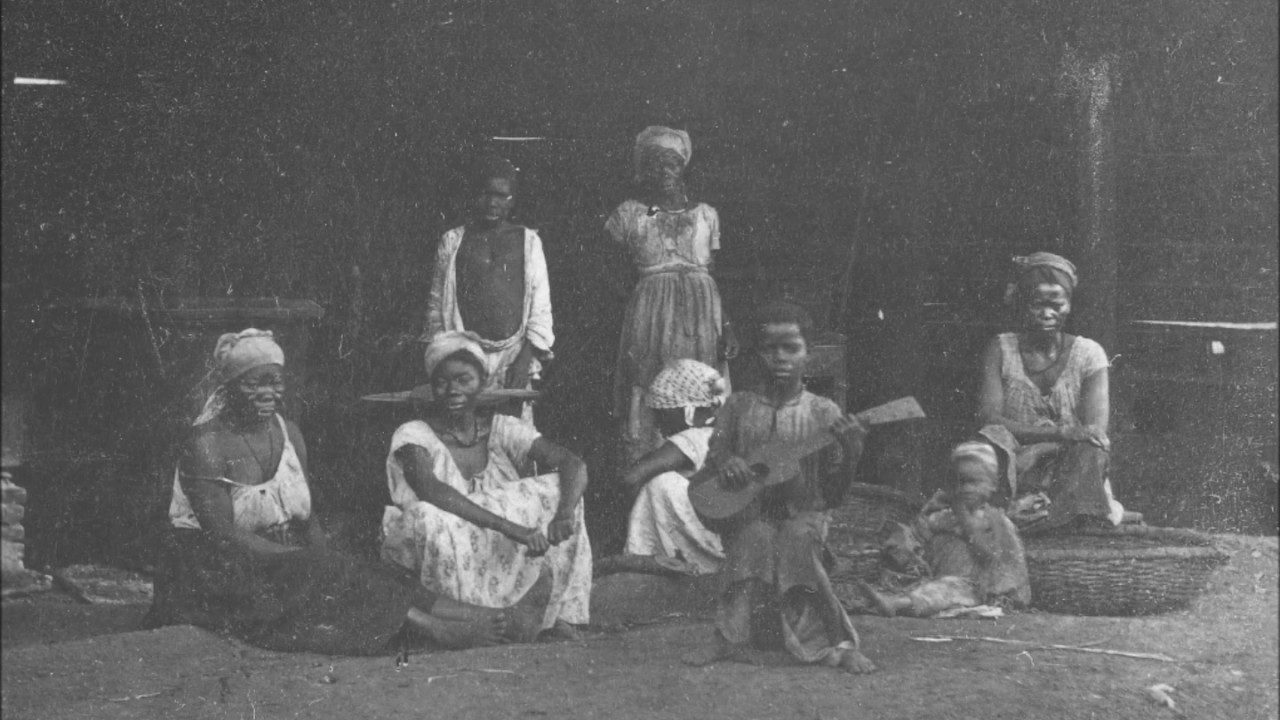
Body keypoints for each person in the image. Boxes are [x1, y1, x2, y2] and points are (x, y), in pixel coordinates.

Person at [145, 329, 548, 656]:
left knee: (363, 567)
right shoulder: (207, 445)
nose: (269, 393)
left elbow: (308, 516)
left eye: (276, 382)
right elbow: (223, 537)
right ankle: (438, 632)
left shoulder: (288, 434)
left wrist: (321, 554)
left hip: (274, 560)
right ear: (230, 388)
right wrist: (310, 561)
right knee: (329, 572)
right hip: (213, 575)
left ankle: (495, 617)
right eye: (255, 384)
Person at [683, 302, 876, 675]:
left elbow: (834, 497)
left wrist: (852, 453)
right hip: (749, 512)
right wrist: (729, 464)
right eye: (771, 348)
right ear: (758, 353)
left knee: (796, 538)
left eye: (792, 348)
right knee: (754, 536)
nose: (780, 358)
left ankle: (838, 641)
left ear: (809, 354)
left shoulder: (823, 412)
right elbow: (715, 459)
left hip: (806, 514)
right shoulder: (737, 407)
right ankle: (727, 638)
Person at [381, 331, 592, 641]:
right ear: (431, 386)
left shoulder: (502, 429)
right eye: (442, 381)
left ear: (481, 382)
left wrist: (563, 513)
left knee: (560, 490)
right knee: (426, 515)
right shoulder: (414, 434)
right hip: (438, 542)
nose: (452, 390)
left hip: (493, 546)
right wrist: (510, 527)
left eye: (463, 380)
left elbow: (573, 464)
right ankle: (473, 623)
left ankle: (553, 615)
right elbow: (431, 490)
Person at [607, 126, 738, 464]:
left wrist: (727, 325)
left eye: (672, 164)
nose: (664, 172)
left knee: (701, 389)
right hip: (651, 316)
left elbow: (716, 273)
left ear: (683, 168)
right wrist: (640, 305)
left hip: (702, 316)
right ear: (643, 170)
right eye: (655, 164)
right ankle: (648, 471)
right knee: (649, 387)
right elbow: (610, 271)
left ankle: (702, 472)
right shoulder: (631, 214)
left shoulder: (706, 214)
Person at [976, 252, 1128, 531]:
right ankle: (1013, 517)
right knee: (990, 438)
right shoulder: (1000, 349)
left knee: (1092, 448)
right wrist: (1056, 435)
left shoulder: (1089, 354)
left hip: (1066, 466)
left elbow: (1093, 432)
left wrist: (1043, 448)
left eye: (1057, 304)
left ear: (1069, 306)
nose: (1048, 313)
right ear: (1022, 305)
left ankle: (1069, 522)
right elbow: (990, 418)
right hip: (1015, 462)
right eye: (1038, 304)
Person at [425, 154, 553, 422]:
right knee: (463, 427)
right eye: (485, 194)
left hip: (512, 356)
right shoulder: (453, 241)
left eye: (501, 196)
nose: (492, 202)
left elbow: (540, 306)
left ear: (512, 200)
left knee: (513, 431)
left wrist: (524, 360)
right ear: (474, 195)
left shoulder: (528, 241)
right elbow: (437, 305)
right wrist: (447, 360)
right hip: (461, 355)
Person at [854, 439, 1031, 618]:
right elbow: (918, 534)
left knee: (946, 590)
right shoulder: (946, 516)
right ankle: (895, 600)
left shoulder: (995, 521)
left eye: (974, 482)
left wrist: (965, 519)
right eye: (960, 483)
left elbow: (988, 554)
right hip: (939, 578)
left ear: (992, 485)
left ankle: (897, 605)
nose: (966, 489)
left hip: (980, 589)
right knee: (923, 585)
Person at [622, 359, 728, 575]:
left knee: (660, 483)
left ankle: (643, 555)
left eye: (662, 413)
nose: (658, 423)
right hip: (721, 534)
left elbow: (631, 478)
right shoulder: (717, 432)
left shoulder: (691, 438)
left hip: (708, 539)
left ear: (685, 411)